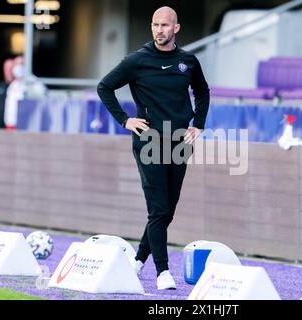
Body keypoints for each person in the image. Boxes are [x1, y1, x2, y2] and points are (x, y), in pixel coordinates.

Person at [97, 6, 210, 290]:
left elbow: (203, 91)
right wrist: (125, 120)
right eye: (155, 25)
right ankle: (162, 272)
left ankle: (137, 260)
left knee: (167, 211)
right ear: (152, 27)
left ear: (176, 28)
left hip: (181, 141)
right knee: (158, 209)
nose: (160, 30)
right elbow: (104, 87)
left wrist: (199, 123)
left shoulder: (188, 61)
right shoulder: (137, 60)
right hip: (150, 142)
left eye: (165, 25)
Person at [4, 56, 47, 131]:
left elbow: (42, 95)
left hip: (27, 124)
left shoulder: (32, 81)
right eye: (16, 64)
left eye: (21, 64)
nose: (18, 67)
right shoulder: (13, 84)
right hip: (11, 124)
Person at [0, 58, 14, 128]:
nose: (9, 71)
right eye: (7, 69)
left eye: (11, 69)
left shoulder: (19, 87)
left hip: (13, 128)